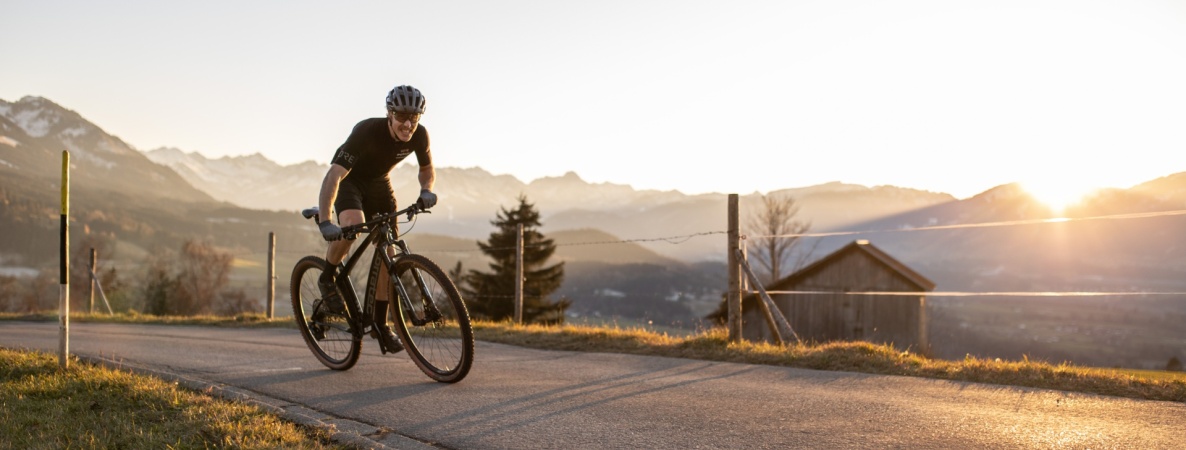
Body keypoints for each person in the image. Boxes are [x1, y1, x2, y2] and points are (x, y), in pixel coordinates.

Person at [316, 85, 438, 354]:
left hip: (379, 184)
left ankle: (381, 325)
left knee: (389, 252)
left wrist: (426, 190)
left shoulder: (420, 135)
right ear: (389, 114)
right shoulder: (366, 132)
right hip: (350, 181)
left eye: (414, 118)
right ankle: (327, 277)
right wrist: (325, 220)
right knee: (351, 227)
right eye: (401, 116)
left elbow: (427, 169)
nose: (408, 124)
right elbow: (333, 176)